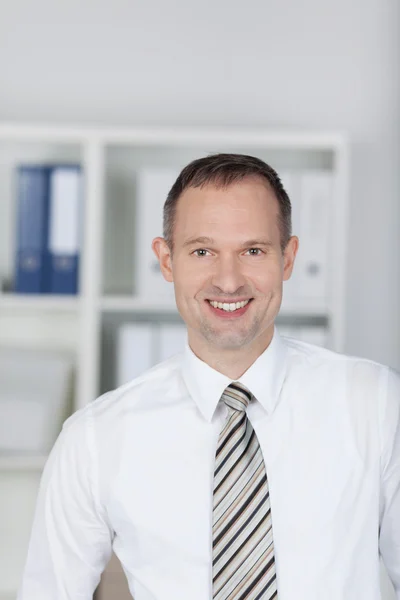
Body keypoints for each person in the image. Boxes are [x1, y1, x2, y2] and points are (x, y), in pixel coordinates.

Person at [17, 153, 399, 600]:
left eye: (253, 251)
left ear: (288, 258)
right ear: (166, 260)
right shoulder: (95, 439)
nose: (230, 280)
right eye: (202, 251)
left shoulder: (376, 404)